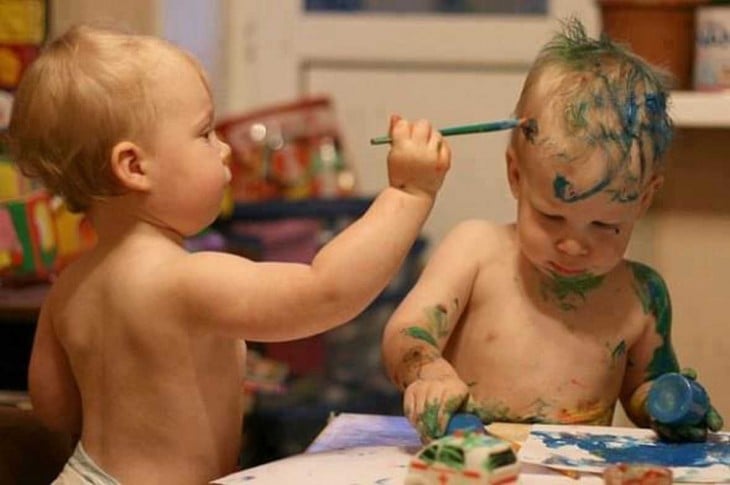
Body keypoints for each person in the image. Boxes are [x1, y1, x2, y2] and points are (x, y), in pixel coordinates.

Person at [8, 24, 451, 484]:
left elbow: (54, 408)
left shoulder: (71, 286)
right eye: (205, 134)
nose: (222, 150)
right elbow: (326, 291)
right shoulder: (184, 279)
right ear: (135, 167)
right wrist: (409, 194)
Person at [381, 19, 724, 444]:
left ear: (644, 199)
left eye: (605, 225)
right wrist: (428, 373)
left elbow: (641, 390)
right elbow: (406, 331)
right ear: (516, 175)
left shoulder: (640, 297)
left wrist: (668, 405)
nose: (574, 244)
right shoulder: (476, 251)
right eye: (551, 217)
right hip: (467, 464)